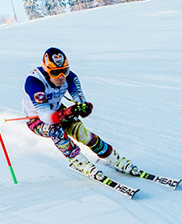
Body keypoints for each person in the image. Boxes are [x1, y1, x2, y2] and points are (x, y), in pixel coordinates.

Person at [22, 47, 139, 181]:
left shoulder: (70, 77)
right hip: (36, 118)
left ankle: (113, 158)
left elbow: (80, 100)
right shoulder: (34, 83)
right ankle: (79, 161)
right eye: (55, 73)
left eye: (64, 71)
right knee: (55, 130)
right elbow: (45, 115)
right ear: (46, 70)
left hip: (58, 110)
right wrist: (64, 114)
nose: (61, 77)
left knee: (83, 133)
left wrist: (83, 108)